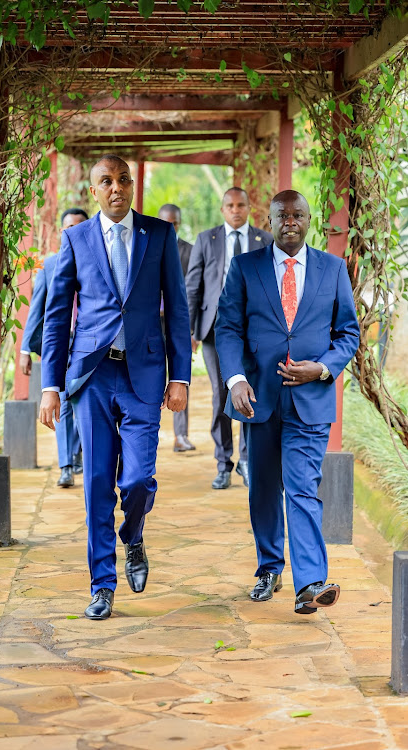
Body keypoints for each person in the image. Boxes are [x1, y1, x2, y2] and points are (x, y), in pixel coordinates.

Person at [39, 155, 191, 620]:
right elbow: (57, 315)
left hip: (144, 373)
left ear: (131, 185)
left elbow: (178, 310)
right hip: (92, 376)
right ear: (94, 190)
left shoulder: (159, 235)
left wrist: (180, 376)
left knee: (138, 479)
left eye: (123, 179)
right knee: (98, 484)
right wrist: (51, 384)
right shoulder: (76, 239)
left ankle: (134, 534)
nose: (116, 188)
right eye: (106, 181)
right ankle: (101, 584)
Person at [215, 190, 359, 615]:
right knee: (262, 488)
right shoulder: (245, 267)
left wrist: (324, 368)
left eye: (298, 214)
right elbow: (227, 328)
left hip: (311, 400)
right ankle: (269, 567)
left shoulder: (333, 270)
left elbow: (348, 333)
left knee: (302, 488)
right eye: (283, 215)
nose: (291, 221)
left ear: (309, 220)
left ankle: (310, 583)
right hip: (257, 397)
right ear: (271, 220)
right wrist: (235, 379)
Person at [186, 187, 272, 489]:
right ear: (223, 209)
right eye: (230, 205)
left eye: (241, 205)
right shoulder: (206, 240)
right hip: (213, 330)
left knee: (251, 393)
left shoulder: (265, 241)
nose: (236, 210)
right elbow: (193, 287)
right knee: (221, 395)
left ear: (249, 208)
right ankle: (223, 462)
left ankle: (247, 460)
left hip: (255, 332)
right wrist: (190, 332)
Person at [20, 208, 89, 488]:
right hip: (62, 342)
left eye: (80, 226)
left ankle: (82, 455)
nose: (74, 231)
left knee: (83, 401)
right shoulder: (50, 265)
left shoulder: (99, 262)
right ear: (63, 231)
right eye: (69, 227)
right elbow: (37, 309)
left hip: (88, 346)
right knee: (61, 402)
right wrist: (25, 348)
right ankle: (66, 466)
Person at [158, 203, 195, 452]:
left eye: (174, 223)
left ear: (179, 224)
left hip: (177, 323)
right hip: (150, 323)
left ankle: (180, 435)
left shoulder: (190, 252)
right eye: (165, 223)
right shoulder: (145, 247)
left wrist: (192, 332)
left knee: (180, 377)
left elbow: (192, 291)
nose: (170, 227)